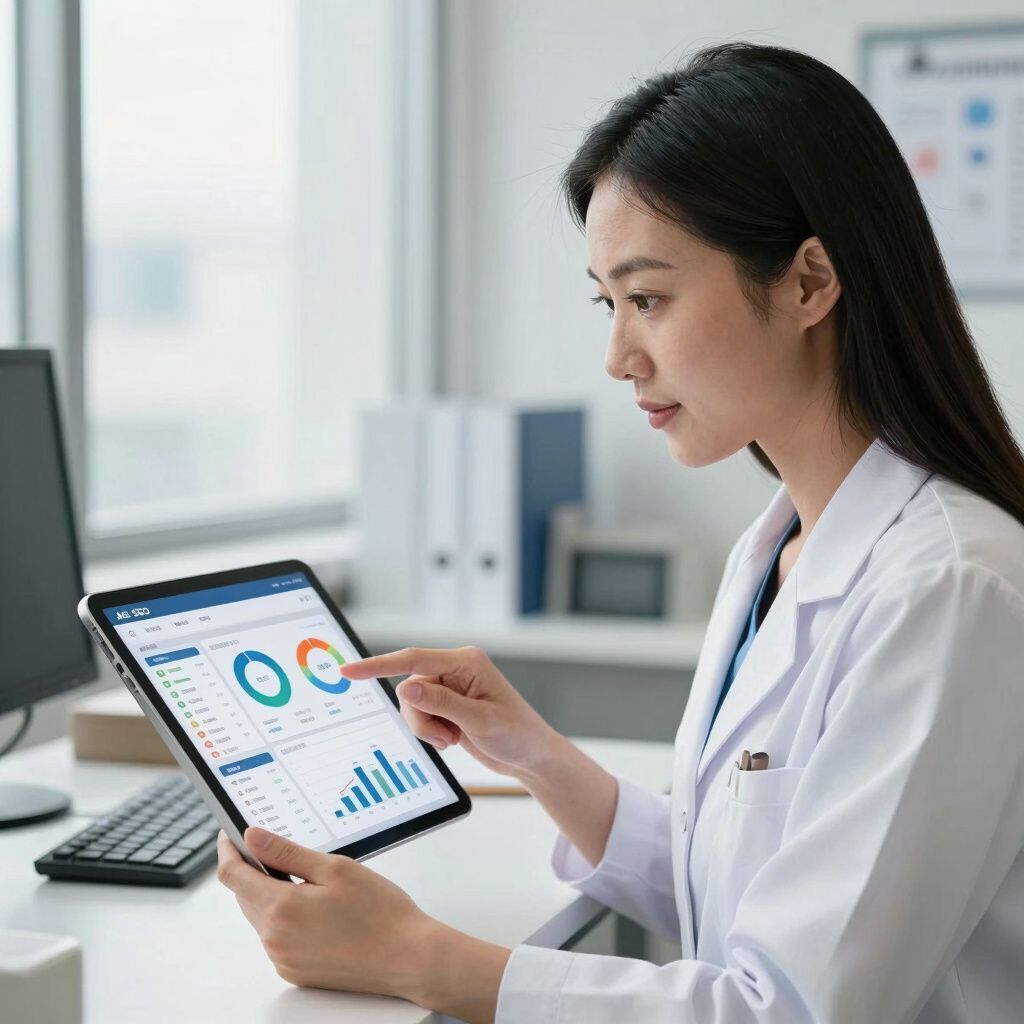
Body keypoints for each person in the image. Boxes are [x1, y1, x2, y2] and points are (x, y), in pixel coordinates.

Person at [216, 41, 1024, 1023]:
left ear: (810, 283)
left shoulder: (948, 586)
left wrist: (417, 958)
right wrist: (532, 753)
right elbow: (731, 887)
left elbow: (792, 1009)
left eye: (647, 299)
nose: (616, 356)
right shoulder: (780, 544)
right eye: (608, 303)